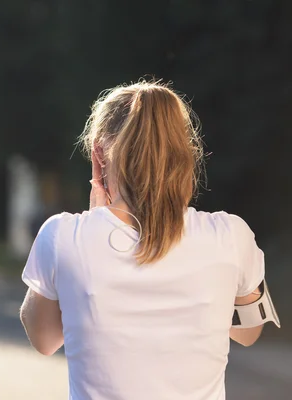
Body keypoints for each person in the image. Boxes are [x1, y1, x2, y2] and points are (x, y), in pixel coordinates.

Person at [19, 80, 278, 400]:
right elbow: (249, 332)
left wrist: (93, 226)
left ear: (99, 156)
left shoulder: (62, 238)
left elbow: (45, 340)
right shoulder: (230, 236)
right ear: (183, 153)